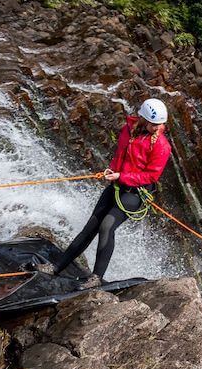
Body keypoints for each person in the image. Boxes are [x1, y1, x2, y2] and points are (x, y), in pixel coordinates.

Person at [51, 98, 172, 289]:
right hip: (117, 183)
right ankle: (56, 267)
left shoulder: (161, 145)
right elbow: (121, 155)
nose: (157, 128)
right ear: (143, 119)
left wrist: (121, 176)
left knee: (107, 226)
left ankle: (96, 277)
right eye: (153, 124)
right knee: (91, 226)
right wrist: (112, 170)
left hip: (135, 192)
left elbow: (151, 176)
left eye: (159, 125)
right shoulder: (128, 129)